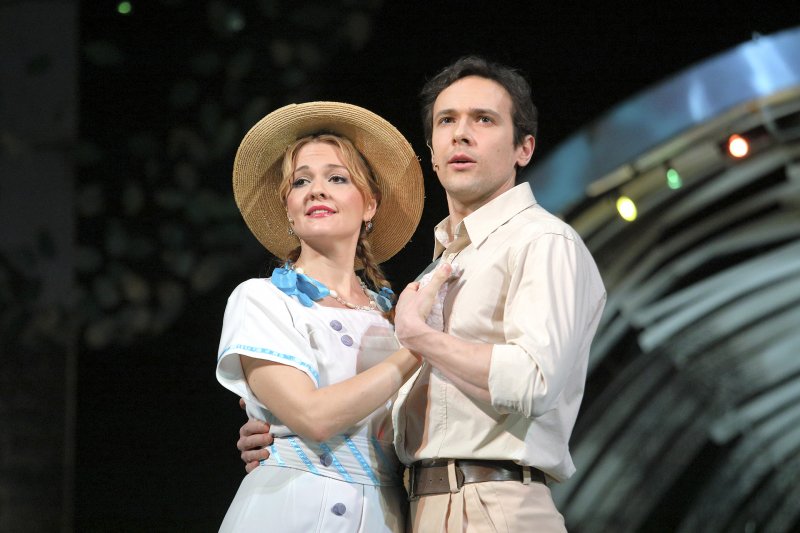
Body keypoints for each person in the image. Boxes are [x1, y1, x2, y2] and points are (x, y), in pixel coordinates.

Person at [237, 57, 607, 532]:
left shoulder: (541, 241)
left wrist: (421, 340)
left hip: (493, 504)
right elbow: (396, 414)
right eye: (446, 121)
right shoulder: (435, 272)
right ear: (431, 151)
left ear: (524, 148)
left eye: (484, 120)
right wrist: (284, 434)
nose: (461, 134)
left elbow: (533, 381)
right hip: (416, 506)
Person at [215, 101, 443, 532]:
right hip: (288, 511)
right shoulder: (261, 299)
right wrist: (418, 348)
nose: (316, 190)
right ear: (288, 208)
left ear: (370, 204)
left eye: (337, 178)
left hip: (383, 516)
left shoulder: (397, 316)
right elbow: (313, 418)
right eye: (301, 181)